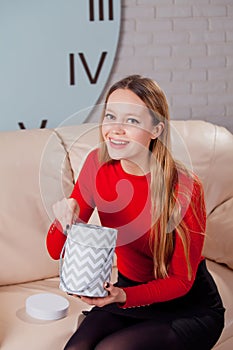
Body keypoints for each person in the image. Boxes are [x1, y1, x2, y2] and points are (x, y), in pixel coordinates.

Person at [46, 75, 225, 350]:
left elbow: (181, 281)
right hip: (126, 292)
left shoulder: (185, 188)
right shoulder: (97, 165)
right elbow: (55, 250)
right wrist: (62, 221)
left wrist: (121, 296)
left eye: (132, 121)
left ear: (156, 129)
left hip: (189, 307)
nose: (116, 129)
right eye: (111, 116)